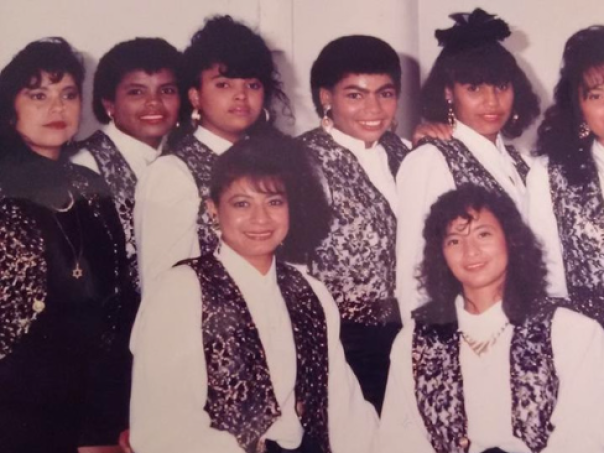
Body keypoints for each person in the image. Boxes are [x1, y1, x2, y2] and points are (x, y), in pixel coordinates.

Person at [129, 135, 377, 453]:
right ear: (213, 209)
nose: (260, 219)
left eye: (274, 202)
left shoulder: (310, 293)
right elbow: (161, 430)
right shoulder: (181, 292)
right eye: (242, 204)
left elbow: (345, 411)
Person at [378, 185, 604, 453]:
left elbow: (584, 437)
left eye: (483, 234)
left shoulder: (572, 332)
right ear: (440, 254)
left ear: (511, 239)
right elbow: (399, 441)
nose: (470, 251)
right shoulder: (414, 342)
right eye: (454, 241)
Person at [0, 38, 131, 452]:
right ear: (10, 108)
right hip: (14, 403)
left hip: (90, 400)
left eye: (68, 95)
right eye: (39, 95)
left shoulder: (88, 186)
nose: (57, 108)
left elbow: (116, 299)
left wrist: (108, 418)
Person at [396, 9, 540, 322]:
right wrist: (424, 341)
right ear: (449, 93)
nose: (492, 101)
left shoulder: (523, 163)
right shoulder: (431, 159)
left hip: (523, 320)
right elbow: (414, 269)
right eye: (474, 89)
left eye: (501, 86)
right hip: (466, 325)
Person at [297, 35, 411, 414]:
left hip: (409, 335)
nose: (373, 108)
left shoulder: (406, 152)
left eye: (385, 93)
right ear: (326, 97)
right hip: (342, 343)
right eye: (355, 95)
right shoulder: (301, 160)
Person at [134, 15, 290, 288]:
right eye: (224, 84)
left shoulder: (274, 162)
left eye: (252, 85)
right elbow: (164, 287)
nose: (241, 95)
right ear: (195, 96)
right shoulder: (172, 173)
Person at [71, 37, 181, 293]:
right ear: (109, 103)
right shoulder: (84, 167)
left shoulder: (181, 160)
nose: (154, 102)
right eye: (136, 92)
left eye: (166, 90)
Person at [528, 26, 604, 323]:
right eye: (596, 96)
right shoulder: (548, 173)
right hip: (588, 336)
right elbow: (548, 281)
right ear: (579, 106)